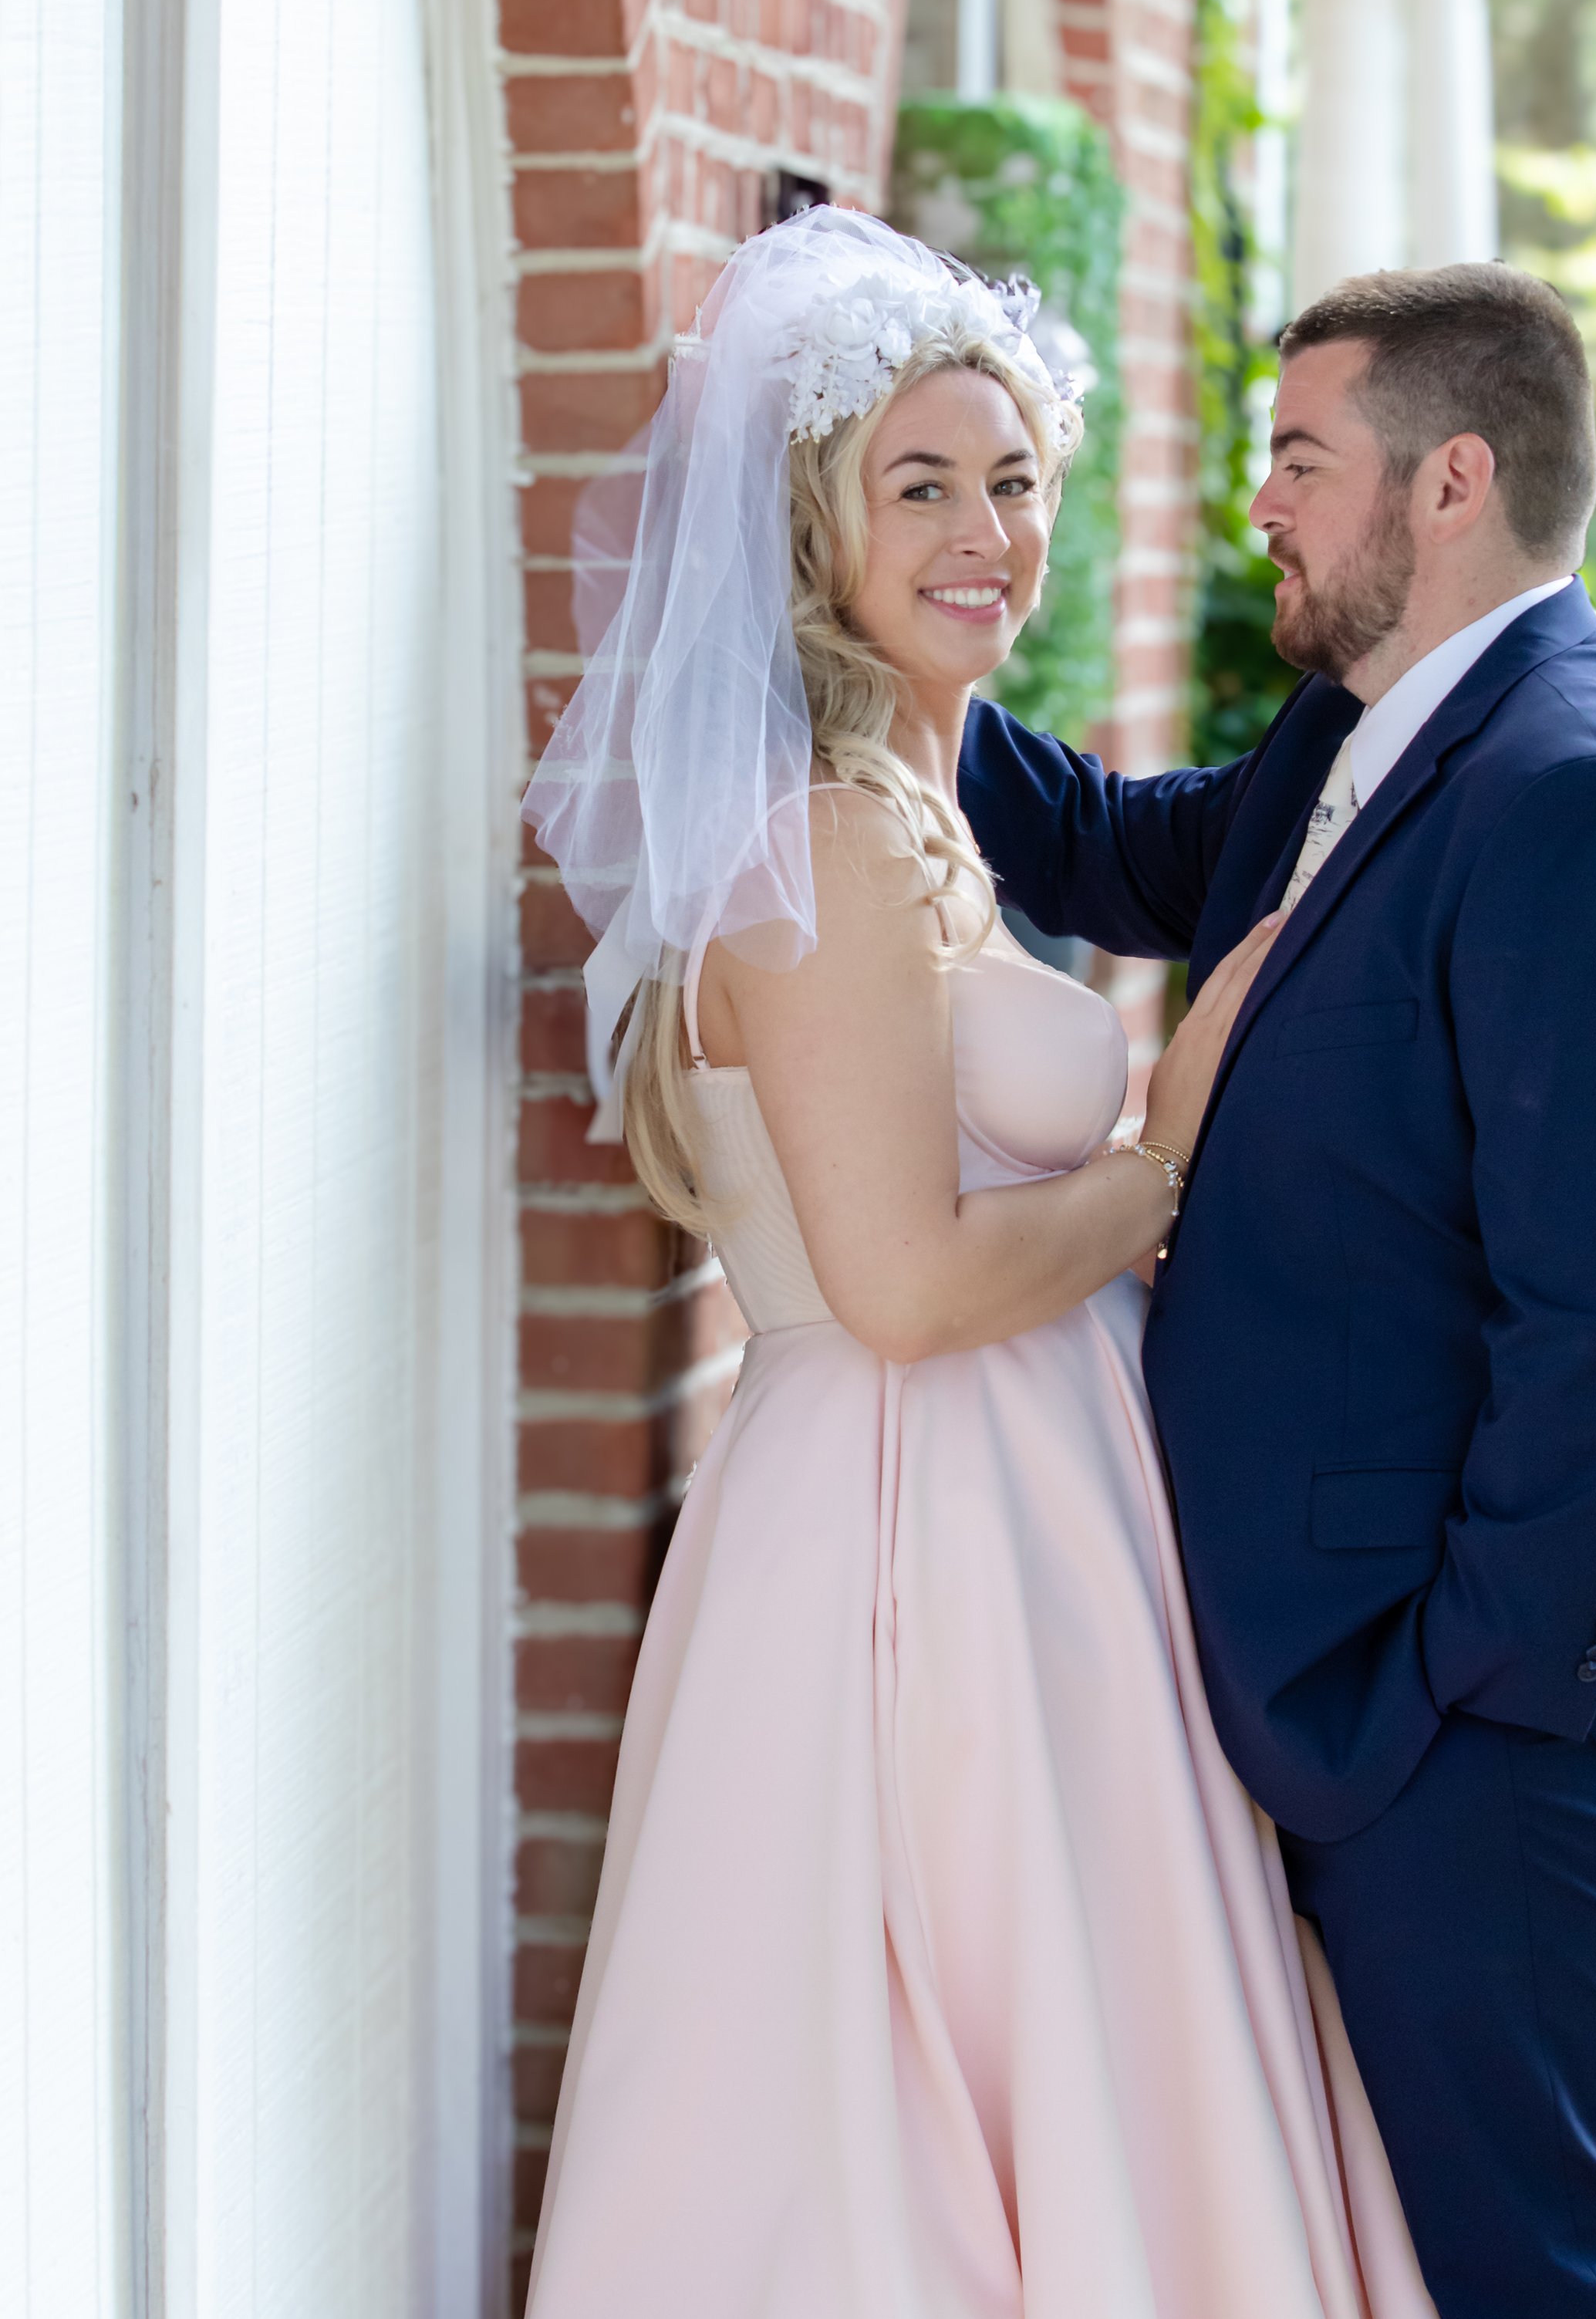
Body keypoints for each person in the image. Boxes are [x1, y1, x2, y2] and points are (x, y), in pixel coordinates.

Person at [521, 208, 1433, 2318]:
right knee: (897, 2111)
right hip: (909, 1542)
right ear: (811, 532)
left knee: (1075, 2060)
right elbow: (909, 1292)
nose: (982, 530)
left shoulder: (921, 806)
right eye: (916, 485)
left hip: (1033, 1520)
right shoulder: (823, 842)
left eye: (1011, 481)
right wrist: (1167, 1146)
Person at [959, 261, 1596, 2319]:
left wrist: (1447, 1698)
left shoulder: (1580, 803)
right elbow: (1108, 851)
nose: (1260, 502)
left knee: (1546, 2276)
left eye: (1298, 455)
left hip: (1524, 1711)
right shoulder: (1366, 732)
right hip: (1421, 1684)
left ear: (1447, 481)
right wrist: (868, 653)